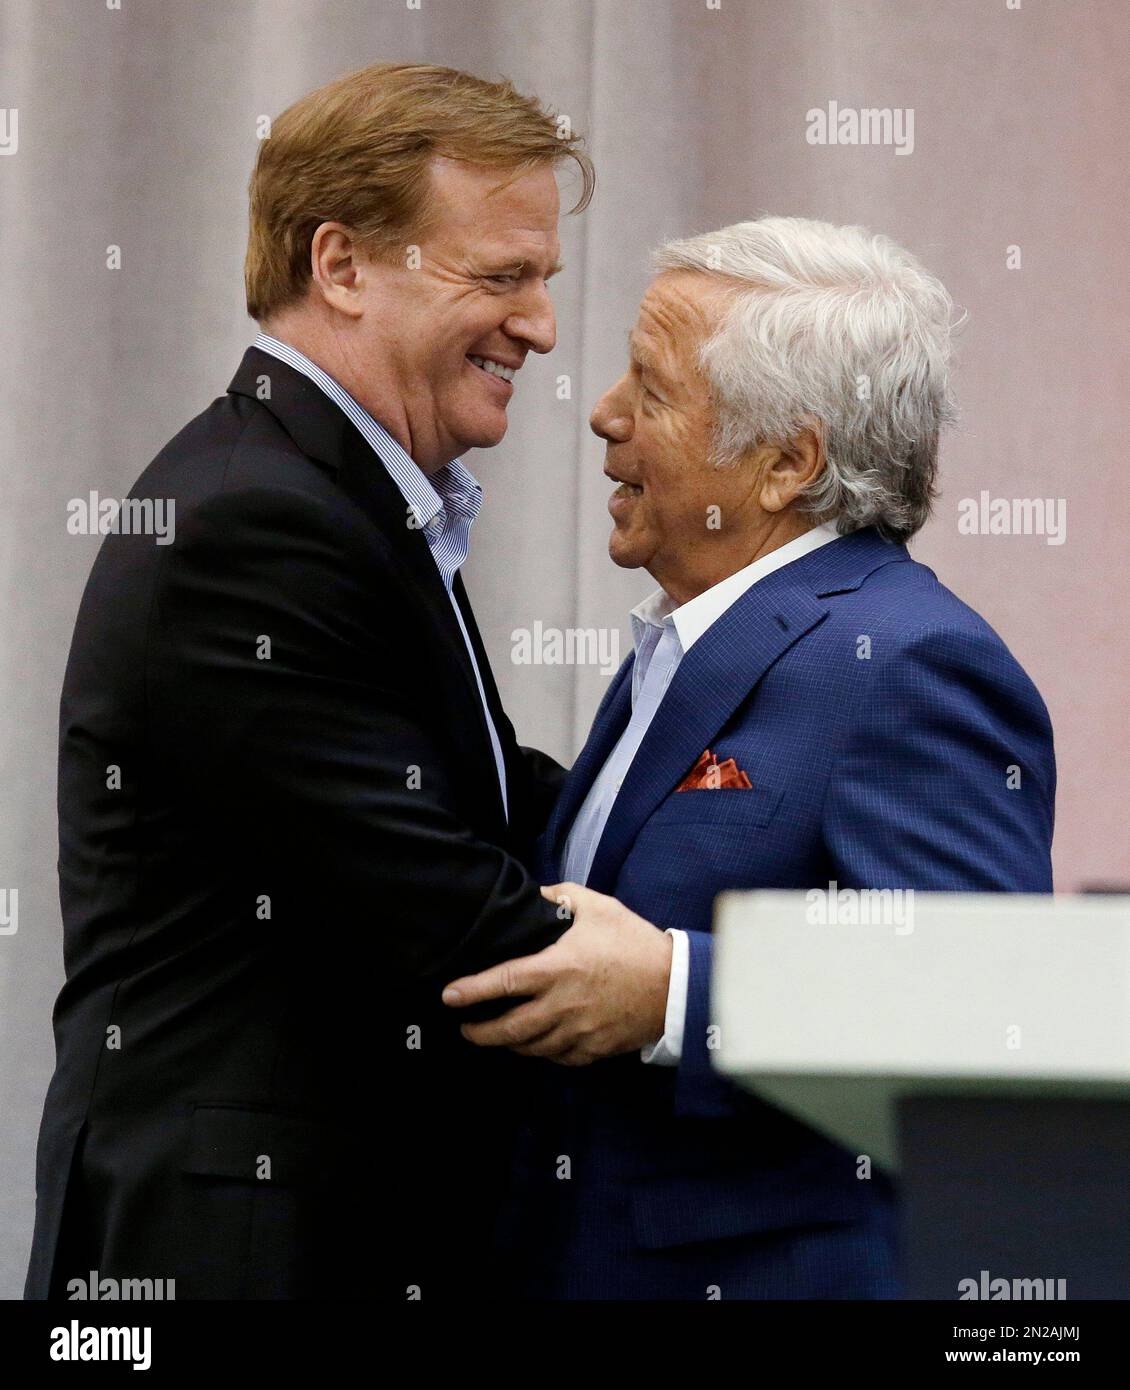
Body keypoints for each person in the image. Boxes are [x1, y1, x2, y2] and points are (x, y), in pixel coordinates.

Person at [25, 61, 596, 1301]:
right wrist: (691, 980)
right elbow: (446, 910)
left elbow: (490, 801)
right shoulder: (257, 524)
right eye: (501, 277)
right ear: (340, 265)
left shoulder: (334, 494)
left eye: (542, 278)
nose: (543, 325)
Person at [444, 216, 1056, 1299]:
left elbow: (985, 1020)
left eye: (653, 388)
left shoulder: (906, 660)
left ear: (785, 463)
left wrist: (680, 995)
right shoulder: (697, 633)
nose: (603, 414)